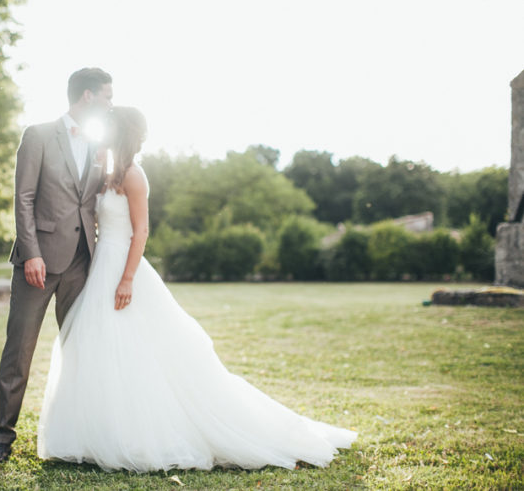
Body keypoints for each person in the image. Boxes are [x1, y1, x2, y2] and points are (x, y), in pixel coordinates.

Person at [37, 107, 357, 472]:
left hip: (123, 268)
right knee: (96, 347)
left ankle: (138, 433)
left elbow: (140, 231)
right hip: (100, 267)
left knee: (133, 349)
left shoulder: (133, 175)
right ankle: (94, 433)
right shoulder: (106, 173)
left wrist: (126, 279)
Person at [0, 68, 113, 463]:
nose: (111, 103)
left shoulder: (99, 142)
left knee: (81, 349)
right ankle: (2, 439)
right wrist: (32, 252)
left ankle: (79, 437)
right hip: (36, 264)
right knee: (19, 351)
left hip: (81, 262)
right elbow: (23, 197)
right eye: (107, 96)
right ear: (88, 96)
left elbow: (90, 200)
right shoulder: (38, 135)